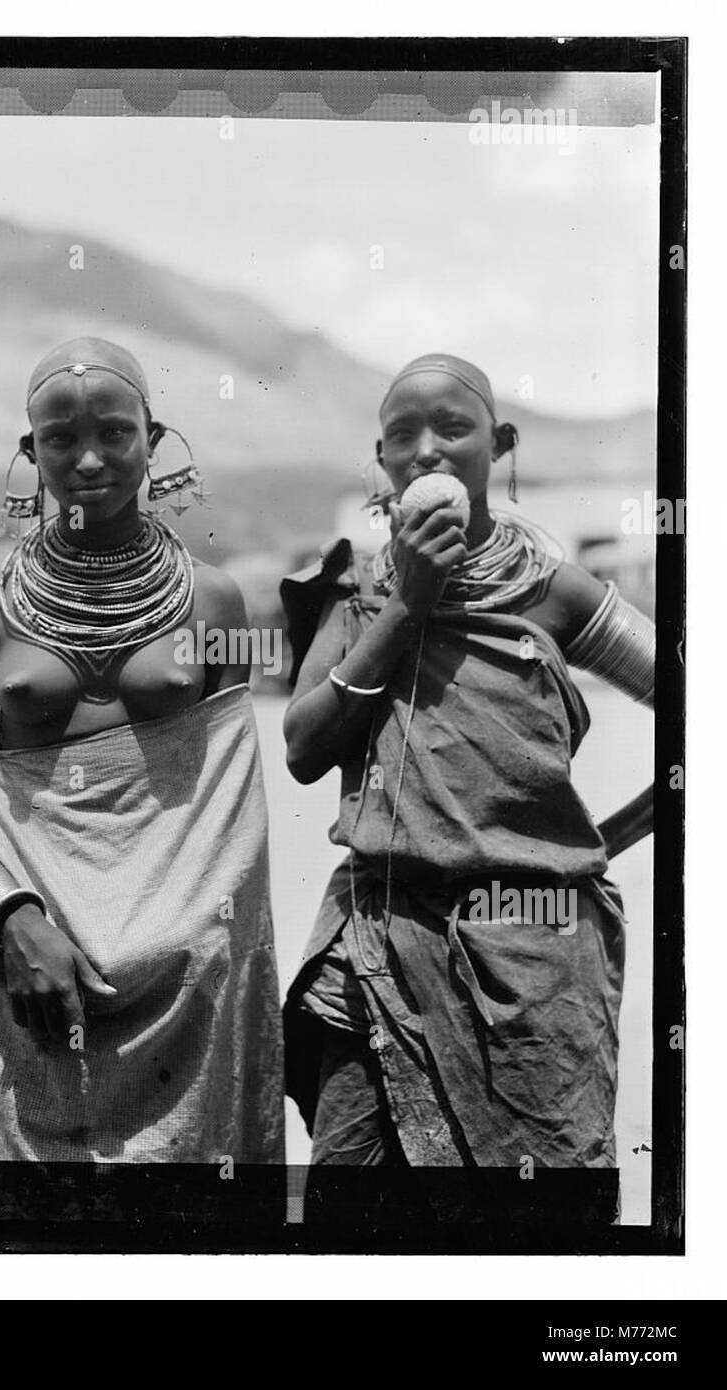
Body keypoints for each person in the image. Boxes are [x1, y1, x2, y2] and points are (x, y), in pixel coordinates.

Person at [0, 337, 284, 1181]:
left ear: (154, 439)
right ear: (28, 452)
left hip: (184, 983)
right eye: (60, 439)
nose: (89, 458)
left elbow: (229, 814)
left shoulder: (214, 600)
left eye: (114, 433)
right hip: (26, 970)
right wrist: (15, 919)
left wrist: (190, 939)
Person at [280, 353, 653, 1181]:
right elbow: (304, 749)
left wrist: (611, 838)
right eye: (402, 436)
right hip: (374, 938)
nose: (428, 451)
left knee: (533, 1214)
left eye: (453, 429)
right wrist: (409, 601)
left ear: (500, 443)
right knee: (353, 1196)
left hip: (534, 954)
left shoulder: (557, 593)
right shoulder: (355, 597)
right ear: (381, 462)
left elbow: (692, 702)